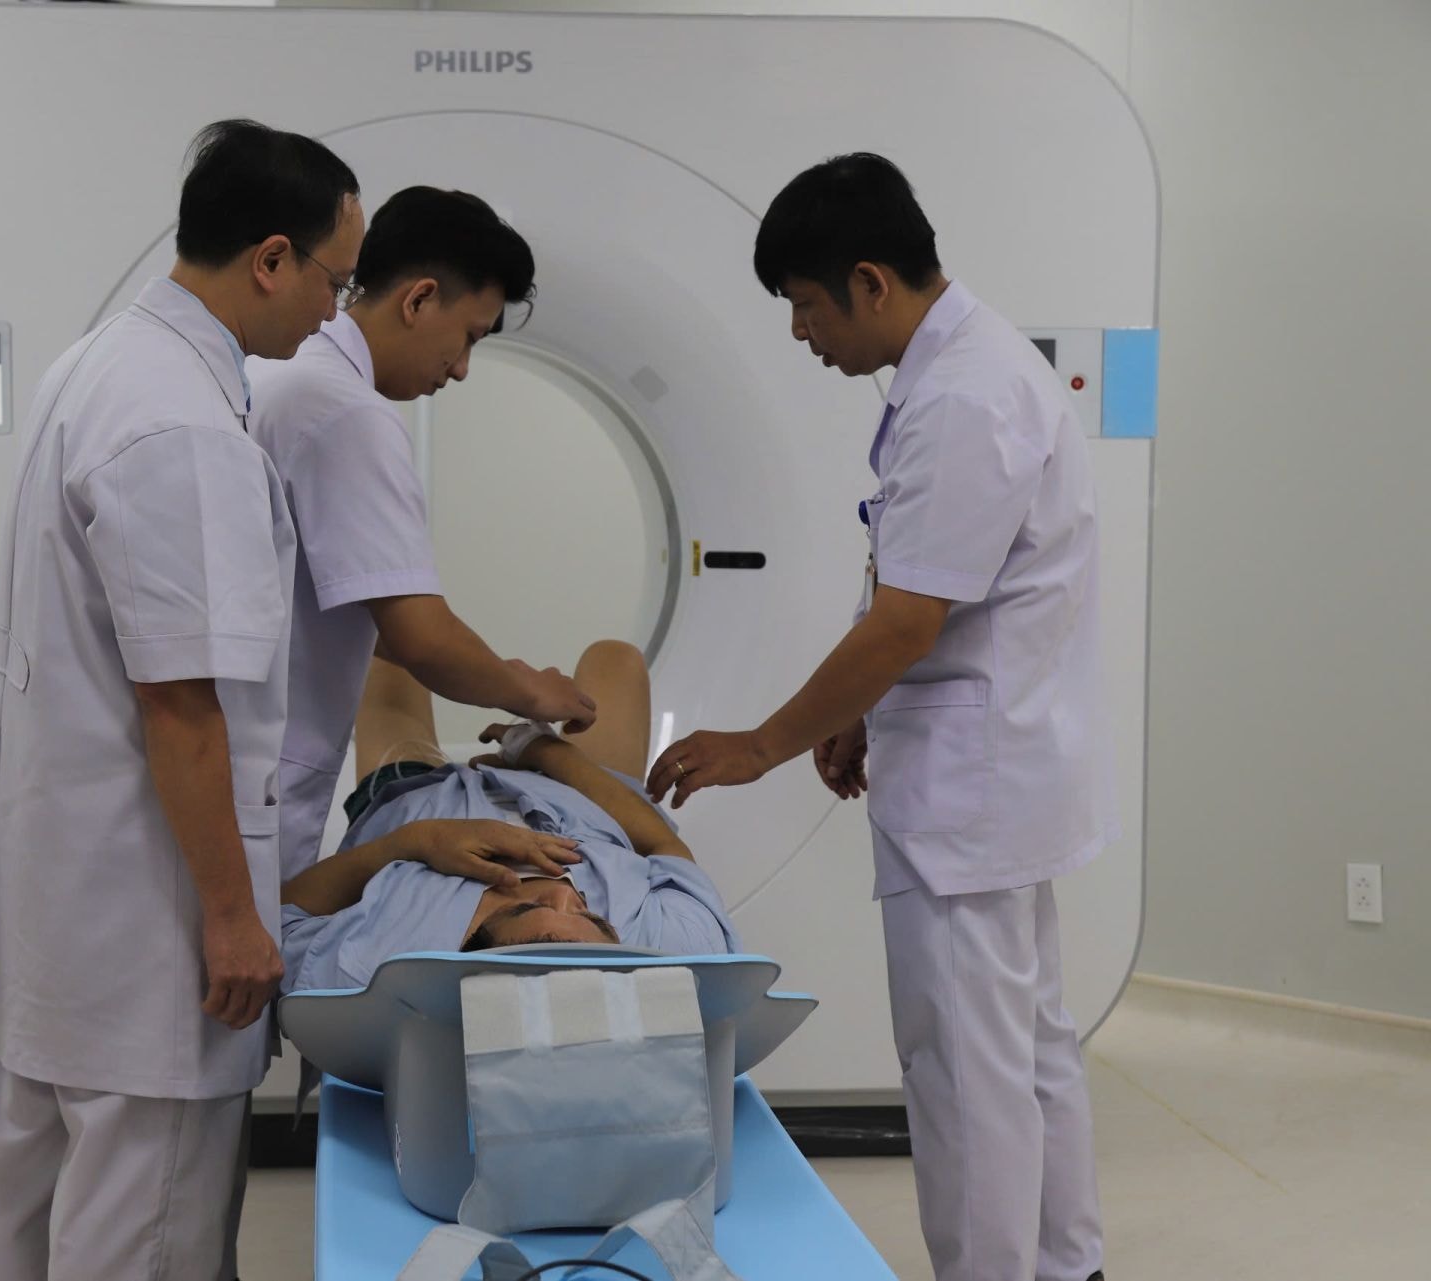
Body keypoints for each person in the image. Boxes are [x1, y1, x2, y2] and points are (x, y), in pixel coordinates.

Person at [645, 154, 1113, 1281]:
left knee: (966, 1072)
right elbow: (920, 578)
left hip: (969, 796)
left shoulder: (962, 399)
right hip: (1000, 773)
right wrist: (860, 714)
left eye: (807, 304)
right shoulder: (972, 369)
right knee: (1028, 1047)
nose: (801, 331)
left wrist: (763, 743)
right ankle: (1067, 1264)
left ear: (870, 281)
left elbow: (905, 623)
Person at [0, 119, 363, 1281]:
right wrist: (234, 916)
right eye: (335, 282)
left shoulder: (95, 366)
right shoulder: (181, 426)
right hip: (148, 926)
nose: (334, 313)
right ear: (271, 260)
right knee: (148, 1231)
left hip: (66, 902)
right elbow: (181, 706)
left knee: (27, 1204)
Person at [246, 185, 596, 884]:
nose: (461, 368)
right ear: (419, 300)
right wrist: (531, 695)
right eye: (468, 337)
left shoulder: (276, 369)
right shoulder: (347, 412)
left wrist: (503, 672)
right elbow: (420, 638)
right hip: (260, 759)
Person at [280, 640, 738, 993]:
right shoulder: (676, 953)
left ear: (470, 946)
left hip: (416, 796)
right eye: (593, 917)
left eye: (528, 907)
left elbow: (285, 915)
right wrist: (543, 751)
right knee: (615, 658)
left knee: (385, 652)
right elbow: (663, 845)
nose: (563, 893)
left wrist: (417, 841)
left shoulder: (379, 960)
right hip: (590, 802)